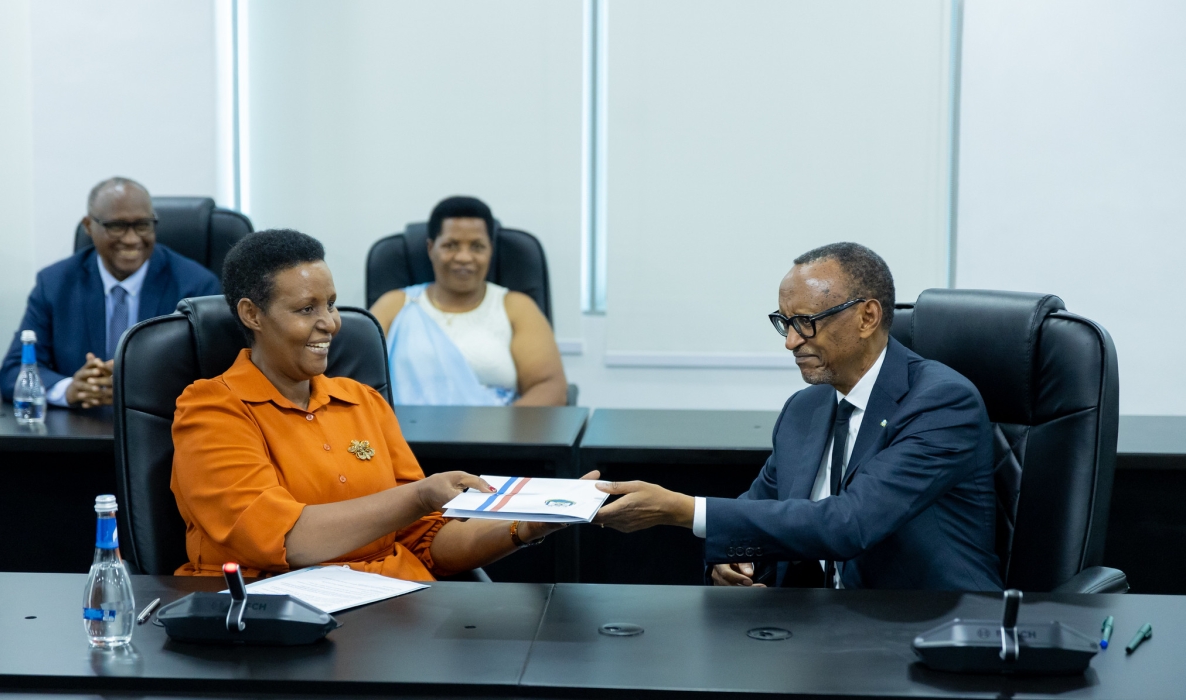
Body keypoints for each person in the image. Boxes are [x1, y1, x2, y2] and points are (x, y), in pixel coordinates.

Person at [170, 229, 594, 578]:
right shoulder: (212, 409)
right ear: (252, 315)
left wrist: (523, 528)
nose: (331, 323)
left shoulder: (362, 401)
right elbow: (289, 541)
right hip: (279, 619)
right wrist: (419, 496)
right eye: (306, 309)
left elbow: (428, 544)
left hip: (394, 607)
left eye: (332, 304)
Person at [593, 243, 1002, 591]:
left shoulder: (941, 403)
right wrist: (734, 558)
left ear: (867, 317)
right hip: (828, 630)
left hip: (936, 631)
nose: (790, 342)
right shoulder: (805, 409)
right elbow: (760, 508)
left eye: (806, 323)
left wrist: (682, 509)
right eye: (785, 323)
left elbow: (850, 522)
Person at [0, 177, 220, 407]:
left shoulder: (197, 287)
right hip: (78, 430)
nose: (132, 239)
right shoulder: (55, 284)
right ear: (88, 226)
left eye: (143, 224)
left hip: (166, 428)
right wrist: (69, 389)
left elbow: (216, 376)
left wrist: (139, 388)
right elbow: (14, 371)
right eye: (117, 226)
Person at [370, 196, 567, 406]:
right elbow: (354, 378)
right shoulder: (394, 305)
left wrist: (502, 435)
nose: (464, 257)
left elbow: (548, 386)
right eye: (451, 245)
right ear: (431, 248)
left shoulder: (516, 308)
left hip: (495, 435)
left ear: (490, 250)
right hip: (399, 434)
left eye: (477, 246)